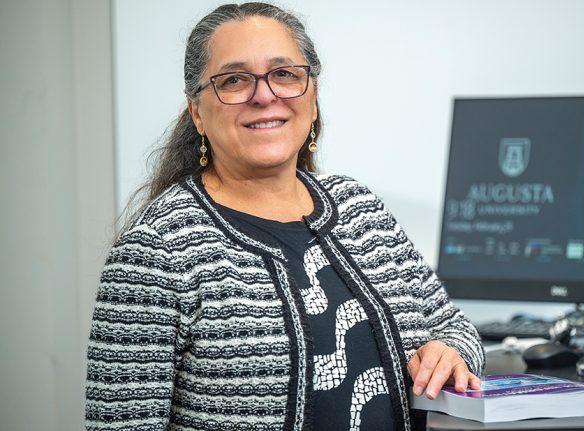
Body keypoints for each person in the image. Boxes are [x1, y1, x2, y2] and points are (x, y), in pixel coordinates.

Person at [85, 3, 485, 430]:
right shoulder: (156, 249)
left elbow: (454, 326)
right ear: (197, 112)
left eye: (284, 74)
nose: (264, 95)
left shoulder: (359, 208)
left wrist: (450, 349)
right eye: (234, 80)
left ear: (312, 97)